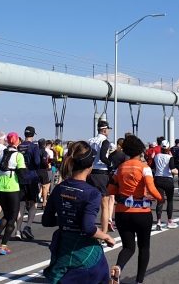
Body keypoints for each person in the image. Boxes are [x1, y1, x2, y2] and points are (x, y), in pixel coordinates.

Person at [42, 141, 115, 284]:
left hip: (62, 249)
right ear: (90, 166)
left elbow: (46, 221)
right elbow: (88, 228)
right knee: (101, 273)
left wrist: (66, 220)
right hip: (85, 253)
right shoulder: (92, 193)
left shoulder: (59, 188)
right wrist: (106, 236)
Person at [107, 135, 162, 284]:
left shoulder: (120, 168)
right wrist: (160, 198)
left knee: (128, 247)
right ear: (140, 151)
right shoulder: (144, 168)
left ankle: (118, 267)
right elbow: (151, 188)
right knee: (144, 248)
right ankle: (139, 281)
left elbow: (110, 189)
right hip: (141, 213)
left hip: (122, 213)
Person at [0, 132, 26, 255]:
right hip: (13, 187)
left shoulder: (1, 153)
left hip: (0, 186)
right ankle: (3, 245)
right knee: (12, 217)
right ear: (17, 141)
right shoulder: (18, 155)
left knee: (6, 214)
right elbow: (22, 174)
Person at [16, 126, 44, 240]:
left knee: (21, 204)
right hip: (32, 177)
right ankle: (27, 226)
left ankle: (18, 231)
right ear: (33, 135)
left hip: (20, 178)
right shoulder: (34, 147)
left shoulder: (19, 146)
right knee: (33, 203)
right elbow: (37, 162)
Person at [87, 120, 115, 233]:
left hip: (90, 173)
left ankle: (87, 228)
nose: (109, 131)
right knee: (104, 205)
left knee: (90, 203)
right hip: (101, 173)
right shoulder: (105, 141)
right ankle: (103, 232)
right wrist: (111, 164)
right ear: (104, 130)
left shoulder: (90, 140)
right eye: (108, 129)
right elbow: (103, 157)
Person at [151, 138, 179, 230]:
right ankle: (169, 221)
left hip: (158, 179)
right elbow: (172, 169)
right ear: (168, 147)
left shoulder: (156, 156)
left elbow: (152, 167)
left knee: (160, 200)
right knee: (170, 200)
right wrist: (177, 171)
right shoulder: (169, 157)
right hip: (168, 180)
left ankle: (158, 222)